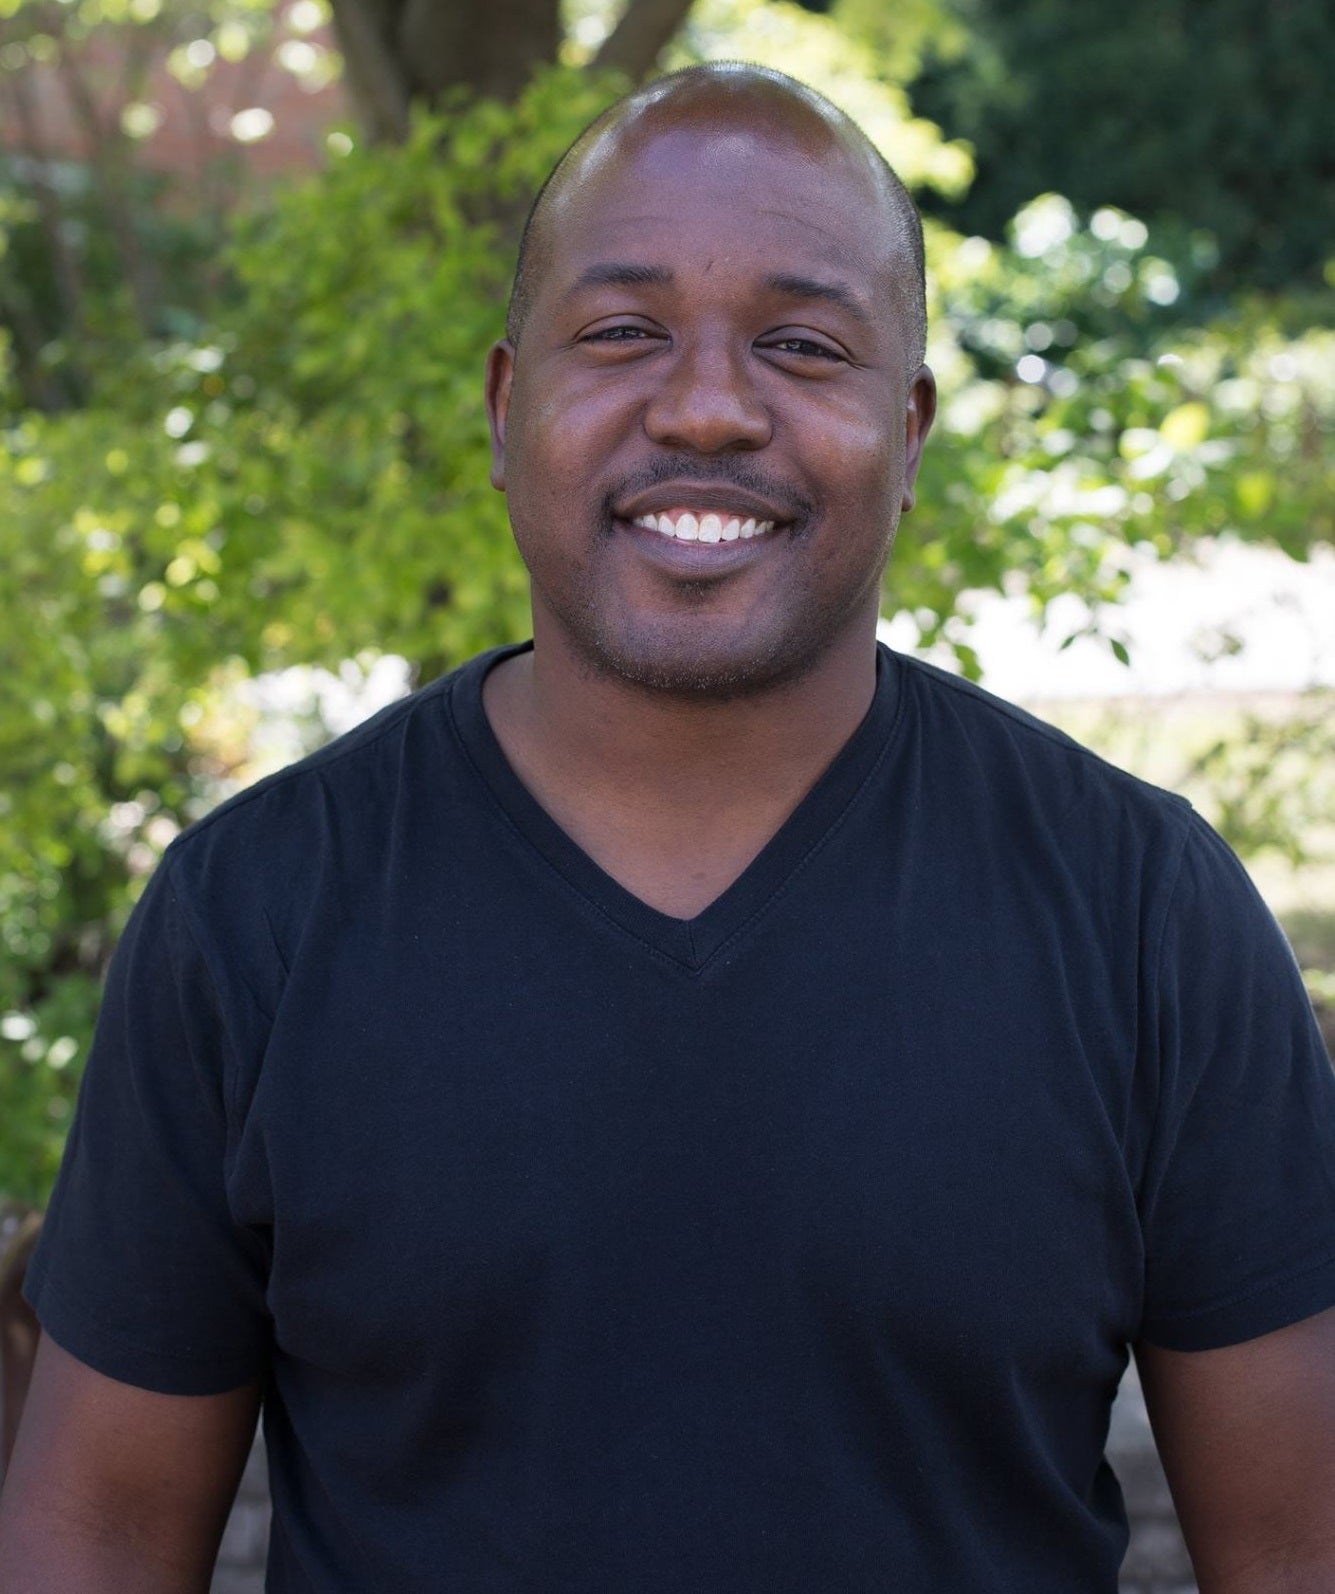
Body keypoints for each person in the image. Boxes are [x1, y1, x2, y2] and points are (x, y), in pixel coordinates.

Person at [1, 61, 1334, 1594]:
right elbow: (94, 1536)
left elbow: (1298, 1549)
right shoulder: (254, 917)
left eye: (800, 343)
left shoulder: (1142, 913)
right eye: (623, 331)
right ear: (511, 409)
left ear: (908, 434)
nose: (706, 405)